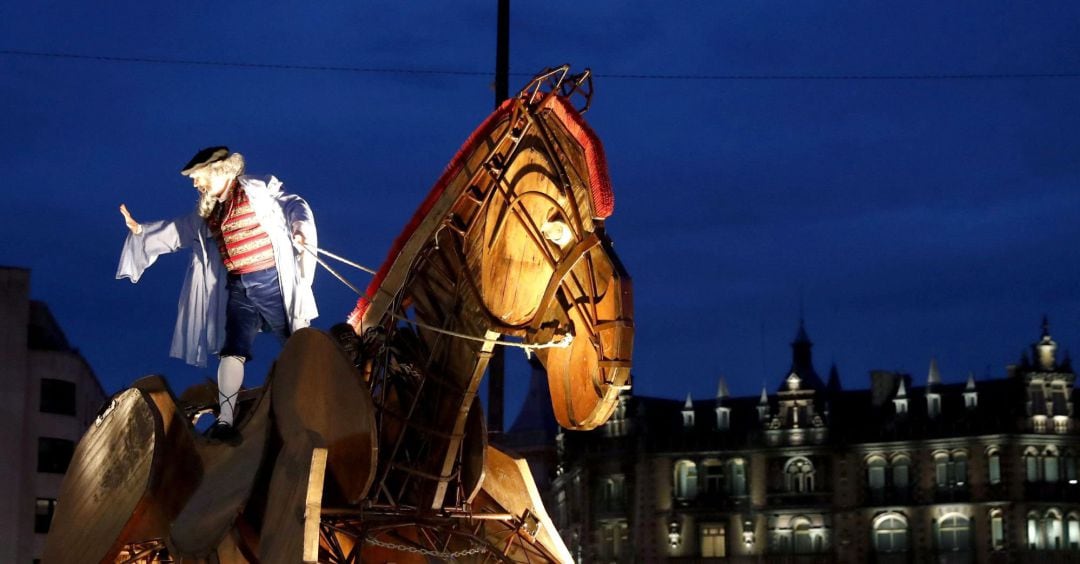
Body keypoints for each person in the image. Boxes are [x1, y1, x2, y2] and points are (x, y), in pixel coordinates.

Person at [117, 147, 318, 442]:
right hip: (239, 286)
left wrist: (299, 228)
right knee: (232, 350)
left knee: (294, 341)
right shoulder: (209, 213)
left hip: (270, 279)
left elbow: (293, 203)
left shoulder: (258, 189)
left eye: (199, 177)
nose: (196, 185)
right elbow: (178, 231)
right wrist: (141, 231)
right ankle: (226, 419)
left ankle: (309, 399)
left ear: (219, 171)